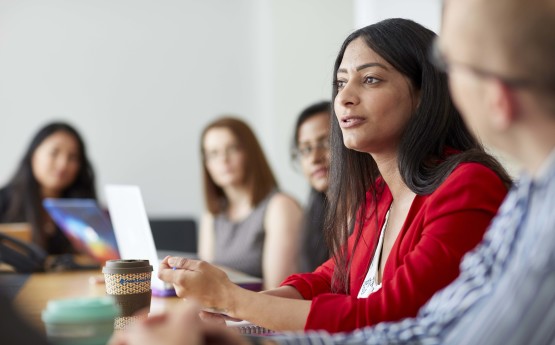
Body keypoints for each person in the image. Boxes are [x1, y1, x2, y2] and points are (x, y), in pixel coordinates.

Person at [157, 18, 510, 333]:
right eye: (341, 83)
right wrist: (239, 309)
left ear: (424, 95)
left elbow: (392, 315)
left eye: (370, 79)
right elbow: (330, 278)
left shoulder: (467, 184)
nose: (344, 99)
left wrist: (236, 300)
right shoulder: (379, 194)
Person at [197, 116, 302, 289]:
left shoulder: (280, 207)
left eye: (232, 148)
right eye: (213, 154)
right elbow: (205, 283)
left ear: (249, 152)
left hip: (260, 313)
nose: (223, 159)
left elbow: (275, 293)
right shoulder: (212, 214)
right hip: (221, 312)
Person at [0, 122, 97, 255]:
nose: (63, 164)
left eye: (72, 157)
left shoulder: (84, 208)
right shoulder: (4, 201)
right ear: (34, 156)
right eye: (54, 153)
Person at [291, 101, 332, 272]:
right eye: (306, 149)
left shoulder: (374, 212)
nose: (314, 158)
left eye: (326, 143)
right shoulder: (313, 218)